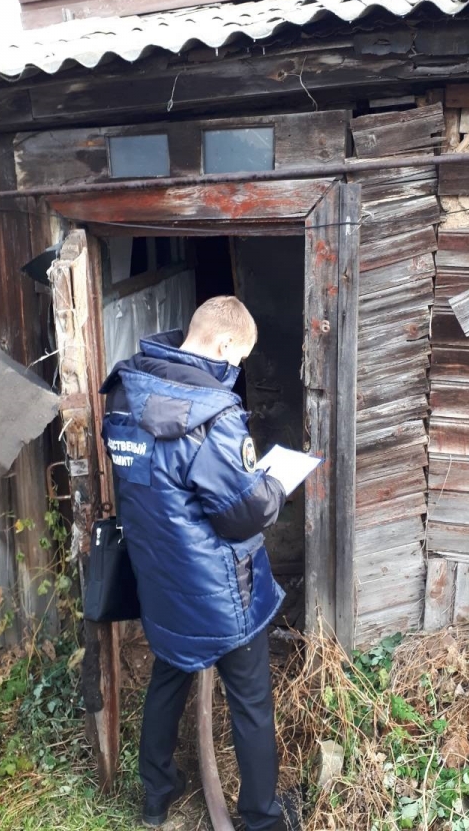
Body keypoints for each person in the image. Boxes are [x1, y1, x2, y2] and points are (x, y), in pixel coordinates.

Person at [99, 296, 294, 830]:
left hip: (159, 579)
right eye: (239, 358)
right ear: (226, 345)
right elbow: (243, 515)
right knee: (251, 702)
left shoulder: (125, 391)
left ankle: (156, 795)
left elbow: (155, 485)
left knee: (169, 674)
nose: (237, 369)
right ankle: (262, 818)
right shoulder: (216, 415)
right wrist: (275, 485)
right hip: (218, 591)